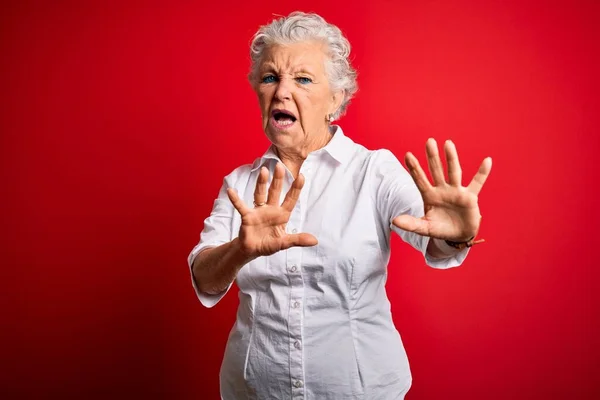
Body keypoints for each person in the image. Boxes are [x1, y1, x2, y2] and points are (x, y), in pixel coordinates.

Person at [187, 11, 491, 400]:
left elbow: (431, 235)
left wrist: (457, 235)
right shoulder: (240, 184)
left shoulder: (374, 171)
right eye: (270, 77)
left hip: (361, 390)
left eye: (302, 78)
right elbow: (205, 279)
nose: (281, 91)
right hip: (253, 391)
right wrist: (239, 250)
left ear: (336, 98)